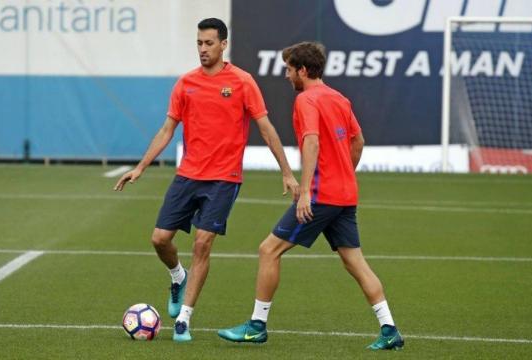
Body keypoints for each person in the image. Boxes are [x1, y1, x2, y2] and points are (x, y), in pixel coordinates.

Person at [114, 18, 298, 342]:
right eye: (199, 43)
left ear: (223, 44)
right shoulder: (186, 83)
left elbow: (266, 128)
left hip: (224, 179)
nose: (202, 49)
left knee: (202, 243)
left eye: (209, 43)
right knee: (159, 239)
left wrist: (286, 170)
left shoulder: (242, 81)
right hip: (187, 175)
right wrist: (141, 166)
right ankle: (176, 275)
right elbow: (167, 130)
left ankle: (184, 319)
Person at [217, 42, 404, 350]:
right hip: (344, 194)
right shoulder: (339, 98)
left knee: (268, 250)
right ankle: (389, 329)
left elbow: (312, 143)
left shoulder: (306, 100)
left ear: (303, 71)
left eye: (289, 70)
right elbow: (358, 142)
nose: (287, 76)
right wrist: (344, 173)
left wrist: (305, 192)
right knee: (354, 261)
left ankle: (256, 326)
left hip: (321, 196)